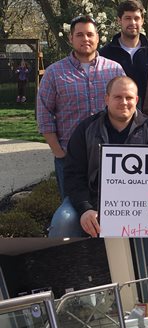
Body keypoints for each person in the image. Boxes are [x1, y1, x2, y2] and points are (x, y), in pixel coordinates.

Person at [48, 76, 148, 238]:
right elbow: (74, 175)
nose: (124, 102)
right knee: (64, 219)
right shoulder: (86, 129)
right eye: (118, 97)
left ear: (136, 100)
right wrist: (85, 208)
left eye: (129, 97)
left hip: (138, 204)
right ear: (107, 99)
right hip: (92, 200)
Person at [37, 15, 125, 200]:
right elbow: (44, 115)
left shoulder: (114, 70)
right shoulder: (54, 73)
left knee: (112, 208)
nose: (85, 39)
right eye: (80, 35)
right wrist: (59, 153)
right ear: (71, 38)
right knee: (72, 211)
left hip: (110, 157)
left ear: (97, 38)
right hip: (70, 157)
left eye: (90, 34)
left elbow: (128, 108)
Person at [99, 0, 148, 107]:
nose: (133, 23)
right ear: (119, 20)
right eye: (128, 18)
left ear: (142, 21)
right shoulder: (104, 54)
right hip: (115, 116)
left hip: (147, 119)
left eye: (136, 18)